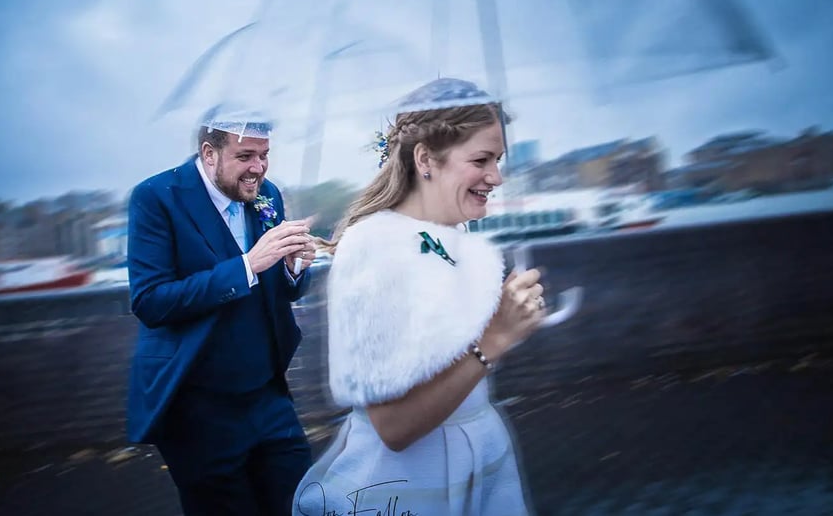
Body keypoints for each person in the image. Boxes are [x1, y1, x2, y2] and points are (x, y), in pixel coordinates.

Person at [294, 78, 547, 516]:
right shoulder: (375, 248)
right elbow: (393, 427)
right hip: (412, 484)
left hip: (476, 465)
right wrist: (496, 339)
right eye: (482, 160)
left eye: (498, 160)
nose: (496, 177)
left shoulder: (458, 243)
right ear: (426, 159)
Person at [126, 105, 318, 515]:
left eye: (264, 155)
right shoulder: (156, 197)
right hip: (196, 407)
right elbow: (150, 301)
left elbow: (281, 290)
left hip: (268, 397)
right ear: (209, 153)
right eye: (245, 156)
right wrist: (248, 265)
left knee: (301, 503)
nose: (258, 168)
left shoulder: (267, 194)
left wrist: (293, 268)